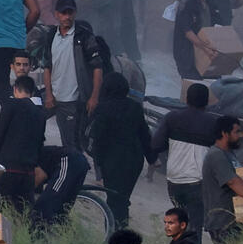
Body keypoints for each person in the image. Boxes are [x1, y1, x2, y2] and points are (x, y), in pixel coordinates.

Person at [90, 73, 158, 229]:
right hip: (134, 160)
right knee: (123, 199)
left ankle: (114, 235)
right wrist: (152, 158)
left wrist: (98, 163)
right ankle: (119, 232)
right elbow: (144, 135)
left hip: (112, 161)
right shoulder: (135, 107)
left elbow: (98, 139)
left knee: (114, 200)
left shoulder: (102, 108)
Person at [152, 83, 220, 232]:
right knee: (194, 226)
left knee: (181, 222)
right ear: (207, 102)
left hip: (174, 182)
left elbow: (156, 144)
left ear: (186, 99)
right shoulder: (214, 123)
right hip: (198, 183)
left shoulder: (172, 117)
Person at [42, 0, 103, 152]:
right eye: (63, 13)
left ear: (75, 13)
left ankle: (77, 172)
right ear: (56, 14)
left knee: (71, 143)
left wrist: (94, 97)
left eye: (70, 13)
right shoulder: (50, 35)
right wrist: (48, 94)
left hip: (73, 100)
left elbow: (97, 67)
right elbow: (47, 67)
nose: (67, 17)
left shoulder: (84, 36)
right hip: (54, 96)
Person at [0, 75, 46, 211]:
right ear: (32, 93)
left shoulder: (11, 105)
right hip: (28, 174)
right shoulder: (40, 114)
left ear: (15, 89)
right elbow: (39, 143)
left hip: (7, 170)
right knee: (24, 215)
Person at [201, 115, 243, 244]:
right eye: (236, 132)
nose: (240, 136)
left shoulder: (229, 154)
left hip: (234, 219)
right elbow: (237, 185)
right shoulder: (217, 155)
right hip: (223, 222)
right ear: (224, 133)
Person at [173, 0, 221, 80]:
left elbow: (218, 26)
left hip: (208, 52)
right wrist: (206, 49)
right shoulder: (188, 4)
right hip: (188, 53)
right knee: (193, 84)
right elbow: (188, 32)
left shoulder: (211, 3)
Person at [32, 145, 91, 228]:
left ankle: (38, 233)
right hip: (80, 162)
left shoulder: (33, 158)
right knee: (61, 209)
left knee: (46, 201)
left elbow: (40, 176)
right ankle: (66, 234)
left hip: (69, 160)